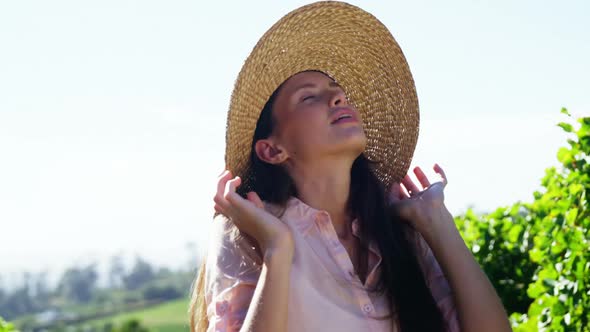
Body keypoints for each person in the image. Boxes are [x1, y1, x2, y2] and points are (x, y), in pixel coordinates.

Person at [189, 2, 511, 332]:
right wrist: (277, 248)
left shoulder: (401, 231)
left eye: (337, 92)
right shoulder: (246, 234)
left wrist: (438, 222)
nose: (338, 98)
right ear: (272, 150)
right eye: (308, 97)